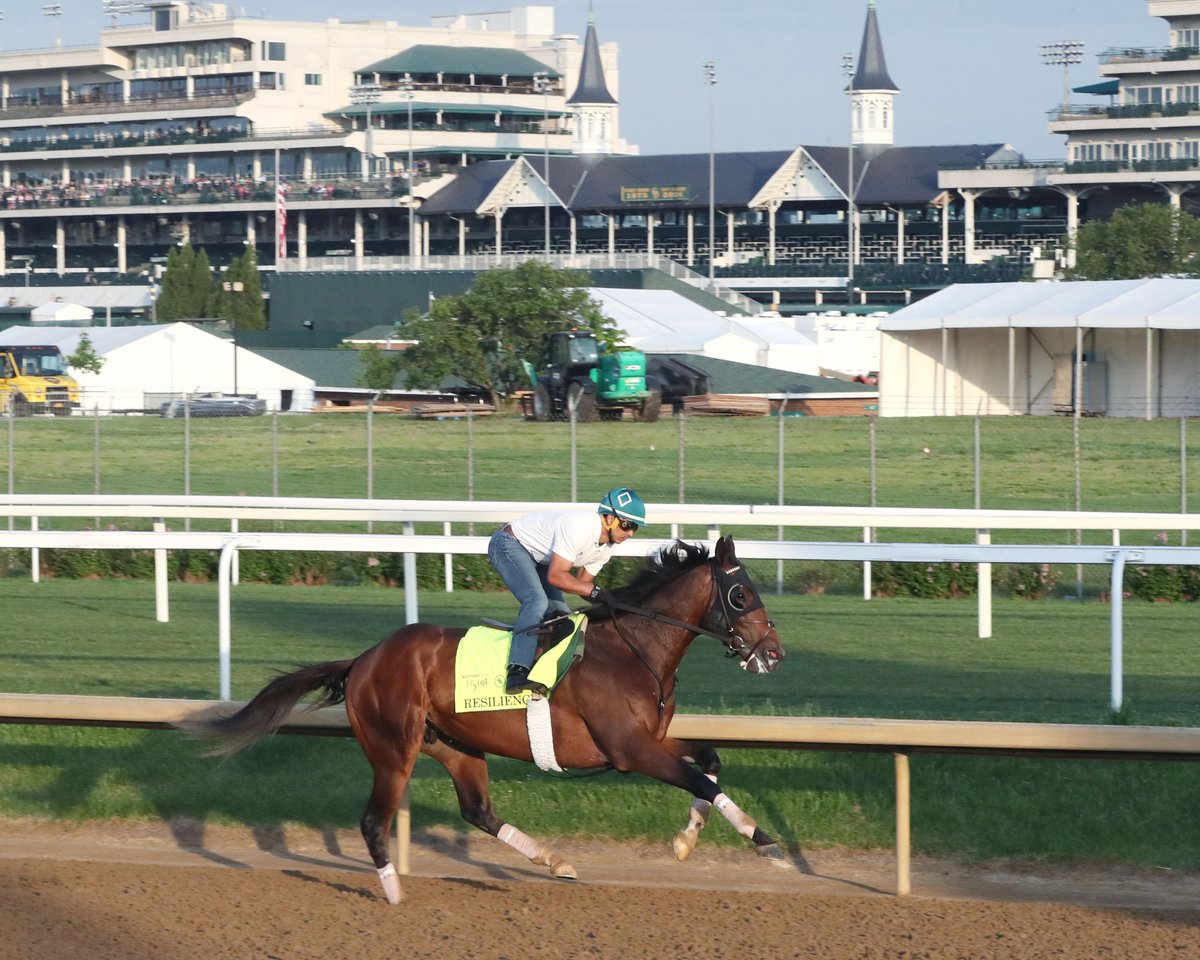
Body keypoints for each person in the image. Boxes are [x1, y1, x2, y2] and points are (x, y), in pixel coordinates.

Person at [487, 488, 646, 695]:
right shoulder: (580, 527)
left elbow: (582, 583)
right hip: (509, 544)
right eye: (627, 525)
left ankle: (542, 668)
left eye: (635, 528)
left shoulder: (608, 546)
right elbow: (557, 576)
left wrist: (611, 600)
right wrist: (595, 592)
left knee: (562, 618)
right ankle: (516, 672)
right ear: (609, 518)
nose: (630, 533)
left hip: (538, 558)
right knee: (536, 601)